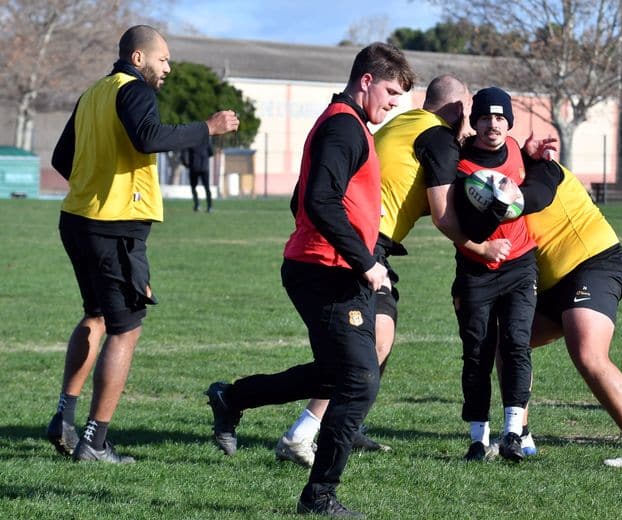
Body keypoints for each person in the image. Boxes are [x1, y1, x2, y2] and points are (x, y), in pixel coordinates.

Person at [205, 42, 414, 517]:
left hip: (325, 266)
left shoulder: (345, 122)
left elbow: (303, 196)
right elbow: (319, 201)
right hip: (326, 272)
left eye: (399, 97)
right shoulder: (344, 126)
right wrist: (364, 260)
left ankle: (233, 397)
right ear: (365, 80)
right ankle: (319, 495)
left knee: (342, 373)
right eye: (389, 92)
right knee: (359, 379)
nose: (392, 103)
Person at [273, 75, 520, 468]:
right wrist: (480, 245)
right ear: (457, 109)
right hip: (364, 244)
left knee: (373, 340)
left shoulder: (405, 123)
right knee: (369, 344)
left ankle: (345, 426)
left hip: (358, 240)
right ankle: (300, 432)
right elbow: (443, 215)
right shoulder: (438, 137)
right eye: (469, 114)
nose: (474, 125)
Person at [47, 25, 239, 464]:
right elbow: (149, 138)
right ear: (138, 59)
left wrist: (94, 184)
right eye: (163, 59)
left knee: (95, 315)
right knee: (125, 328)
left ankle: (65, 417)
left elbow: (62, 158)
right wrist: (206, 128)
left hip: (78, 220)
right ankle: (95, 442)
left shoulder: (94, 92)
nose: (168, 67)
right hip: (113, 228)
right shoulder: (133, 91)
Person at [501, 161, 622, 467]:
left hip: (593, 263)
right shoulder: (492, 171)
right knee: (508, 340)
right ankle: (519, 434)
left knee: (588, 353)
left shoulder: (540, 165)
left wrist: (503, 198)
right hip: (552, 284)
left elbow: (536, 195)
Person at [451, 87, 558, 462]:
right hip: (476, 272)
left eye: (499, 118)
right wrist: (497, 207)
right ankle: (478, 439)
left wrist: (541, 159)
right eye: (484, 117)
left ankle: (513, 434)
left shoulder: (514, 148)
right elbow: (471, 228)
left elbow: (540, 184)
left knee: (516, 343)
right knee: (477, 352)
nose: (492, 124)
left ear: (508, 122)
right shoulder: (462, 166)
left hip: (519, 264)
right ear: (474, 122)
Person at [181, 141, 214, 212]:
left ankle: (198, 205)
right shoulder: (206, 141)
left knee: (194, 187)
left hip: (194, 168)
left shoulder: (191, 141)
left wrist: (186, 164)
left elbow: (183, 154)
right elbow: (211, 153)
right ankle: (209, 206)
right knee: (206, 188)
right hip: (203, 168)